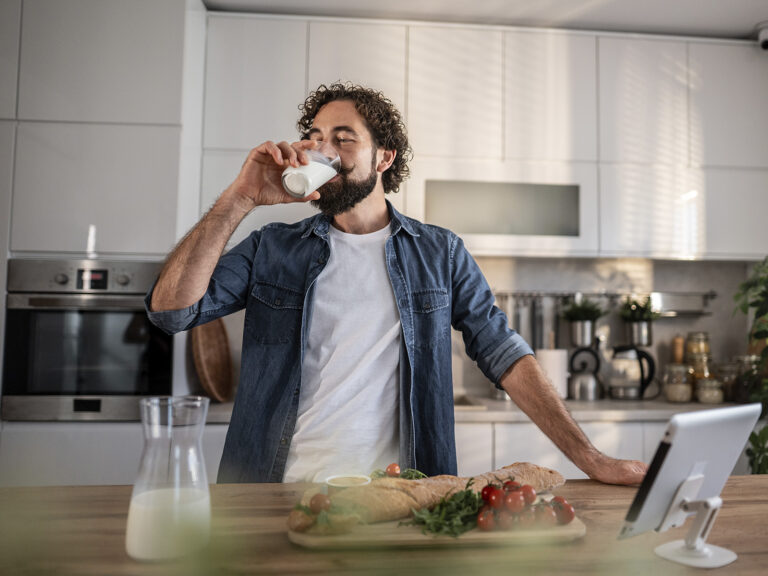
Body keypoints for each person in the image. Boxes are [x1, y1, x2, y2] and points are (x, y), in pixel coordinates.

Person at [147, 82, 648, 485]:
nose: (325, 149)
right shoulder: (272, 247)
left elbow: (503, 351)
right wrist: (241, 197)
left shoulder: (439, 252)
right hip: (275, 492)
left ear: (383, 158)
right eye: (316, 137)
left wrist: (591, 458)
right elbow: (171, 312)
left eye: (344, 137)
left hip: (401, 499)